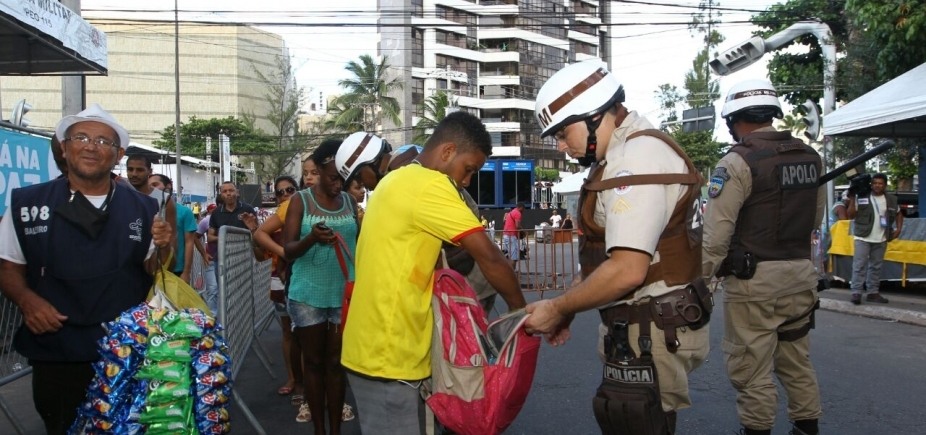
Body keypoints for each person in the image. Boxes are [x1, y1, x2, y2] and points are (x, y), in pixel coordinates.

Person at [524, 59, 709, 434]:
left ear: (593, 117)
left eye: (562, 133)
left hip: (651, 325)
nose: (561, 147)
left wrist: (557, 306)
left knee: (639, 420)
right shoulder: (619, 155)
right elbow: (603, 259)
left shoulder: (634, 160)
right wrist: (568, 311)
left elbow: (627, 268)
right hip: (641, 323)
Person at [341, 112, 527, 435]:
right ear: (447, 152)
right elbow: (490, 257)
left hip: (381, 351)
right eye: (469, 169)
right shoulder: (429, 185)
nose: (467, 181)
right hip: (388, 356)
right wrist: (522, 313)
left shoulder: (397, 181)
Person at [0, 104, 172, 434]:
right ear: (64, 148)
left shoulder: (145, 206)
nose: (91, 146)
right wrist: (27, 301)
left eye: (103, 141)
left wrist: (164, 247)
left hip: (125, 347)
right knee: (63, 425)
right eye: (81, 137)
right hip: (57, 349)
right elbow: (8, 268)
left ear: (118, 154)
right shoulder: (26, 203)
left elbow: (153, 268)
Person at [701, 79, 824, 435]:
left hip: (754, 284)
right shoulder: (809, 156)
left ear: (734, 120)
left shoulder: (738, 161)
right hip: (801, 276)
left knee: (751, 367)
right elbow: (813, 221)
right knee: (796, 361)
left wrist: (700, 281)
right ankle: (807, 427)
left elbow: (715, 237)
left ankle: (756, 430)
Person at [283, 140, 360, 434]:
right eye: (331, 178)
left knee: (337, 364)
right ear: (318, 172)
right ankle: (319, 430)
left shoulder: (351, 203)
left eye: (342, 178)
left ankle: (336, 430)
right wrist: (311, 239)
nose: (338, 184)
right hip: (307, 296)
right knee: (314, 363)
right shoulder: (301, 201)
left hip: (343, 295)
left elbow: (359, 244)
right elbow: (288, 250)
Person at [251, 175, 314, 422]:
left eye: (290, 189)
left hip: (309, 281)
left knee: (309, 335)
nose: (286, 194)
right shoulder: (275, 221)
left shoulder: (305, 211)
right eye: (280, 192)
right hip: (280, 282)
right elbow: (259, 254)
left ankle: (312, 386)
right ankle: (295, 380)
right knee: (290, 333)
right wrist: (285, 253)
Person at [846, 173, 903, 305]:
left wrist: (899, 229)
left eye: (880, 183)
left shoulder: (891, 199)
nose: (877, 185)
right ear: (871, 184)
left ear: (885, 185)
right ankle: (856, 292)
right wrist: (853, 198)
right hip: (862, 237)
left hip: (882, 237)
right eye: (875, 183)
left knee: (876, 267)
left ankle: (872, 292)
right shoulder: (862, 196)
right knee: (859, 266)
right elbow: (851, 215)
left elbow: (899, 214)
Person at [206, 181, 259, 312]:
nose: (229, 193)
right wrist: (225, 238)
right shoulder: (216, 213)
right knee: (223, 290)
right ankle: (226, 321)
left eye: (231, 190)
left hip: (243, 258)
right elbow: (210, 237)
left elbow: (257, 232)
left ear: (237, 192)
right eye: (225, 191)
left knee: (244, 291)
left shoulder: (247, 209)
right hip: (221, 258)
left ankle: (243, 319)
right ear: (221, 194)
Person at [149, 174, 197, 283]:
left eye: (155, 184)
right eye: (149, 186)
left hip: (176, 270)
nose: (152, 189)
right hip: (151, 269)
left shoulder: (185, 212)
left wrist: (186, 272)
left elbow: (190, 242)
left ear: (168, 186)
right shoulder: (145, 210)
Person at [502, 203, 525, 268]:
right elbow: (518, 226)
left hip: (506, 234)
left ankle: (509, 272)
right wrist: (523, 231)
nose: (523, 211)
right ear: (521, 208)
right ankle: (512, 274)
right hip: (511, 236)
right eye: (523, 210)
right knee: (514, 257)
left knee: (510, 255)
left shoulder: (510, 212)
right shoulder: (518, 213)